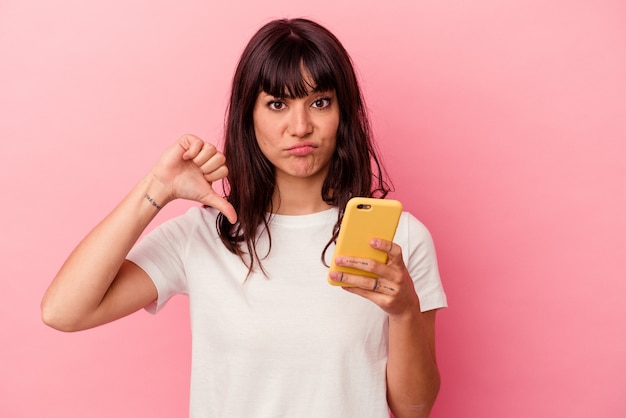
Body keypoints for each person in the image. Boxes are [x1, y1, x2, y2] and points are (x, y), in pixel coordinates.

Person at [41, 18, 447, 418]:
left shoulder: (400, 239)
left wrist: (405, 310)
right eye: (277, 104)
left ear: (343, 113)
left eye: (319, 102)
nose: (300, 126)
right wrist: (157, 188)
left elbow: (414, 409)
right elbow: (63, 311)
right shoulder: (200, 236)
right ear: (249, 117)